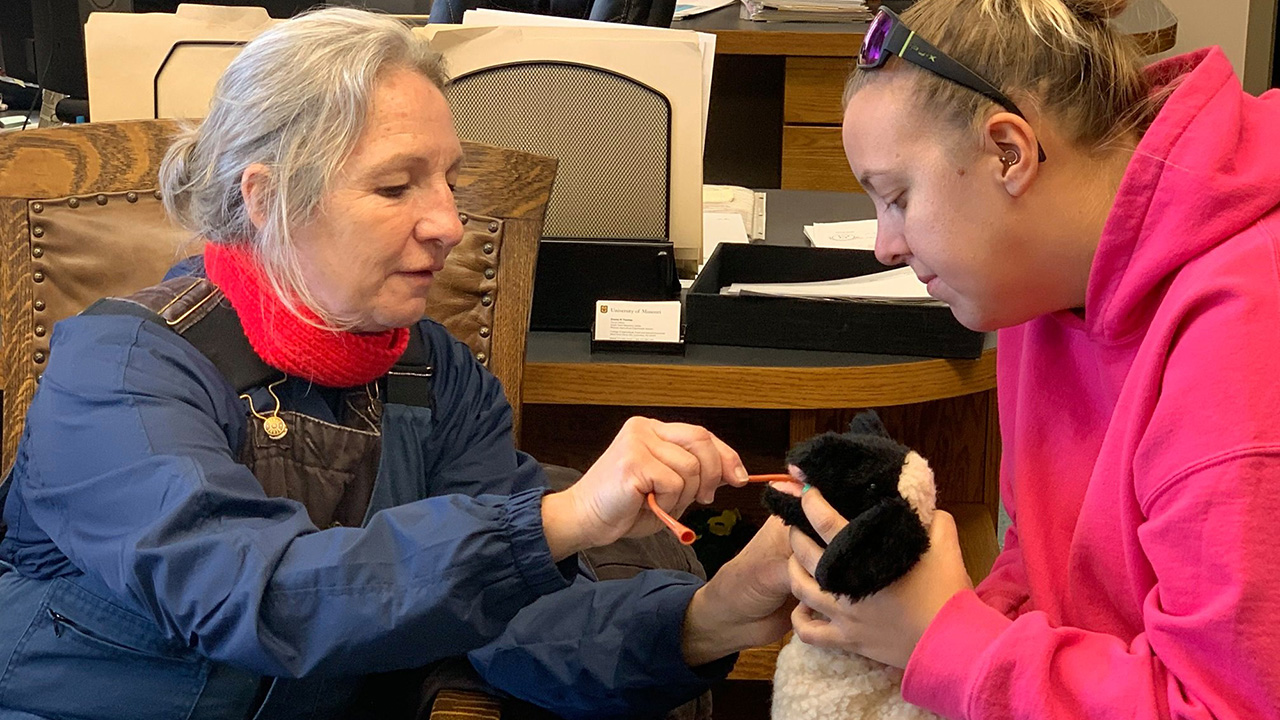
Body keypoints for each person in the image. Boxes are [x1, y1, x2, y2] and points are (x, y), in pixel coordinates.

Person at [0, 9, 794, 720]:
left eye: (447, 179)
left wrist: (707, 617)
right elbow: (257, 595)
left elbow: (510, 623)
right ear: (264, 199)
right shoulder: (119, 369)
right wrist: (561, 518)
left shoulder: (432, 373)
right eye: (394, 186)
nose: (448, 222)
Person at [784, 0, 1280, 718]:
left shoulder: (1244, 337)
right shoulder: (1039, 282)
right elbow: (1046, 566)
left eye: (896, 197)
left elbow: (1220, 706)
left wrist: (944, 637)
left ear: (1009, 153)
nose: (884, 246)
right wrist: (933, 620)